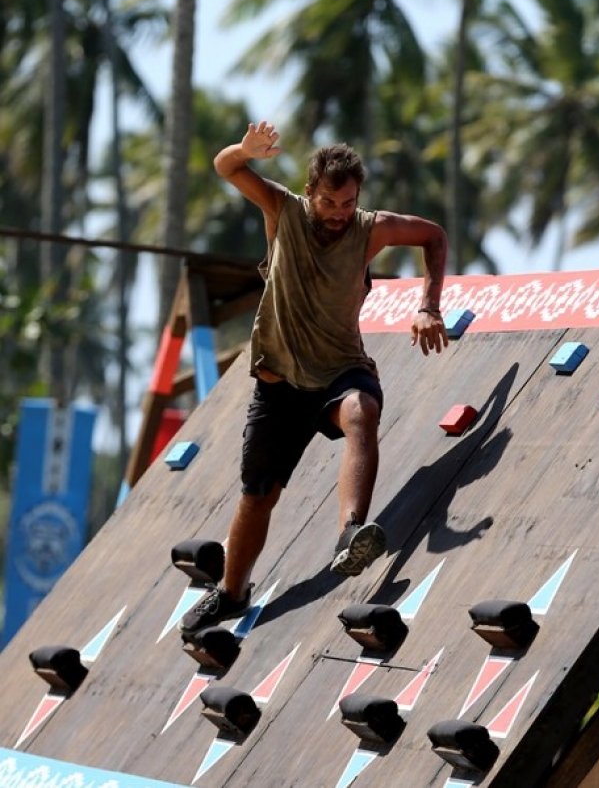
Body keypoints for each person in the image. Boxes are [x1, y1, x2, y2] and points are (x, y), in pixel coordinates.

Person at [179, 121, 449, 635]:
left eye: (348, 203)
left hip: (339, 372)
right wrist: (243, 149)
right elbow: (226, 167)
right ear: (310, 193)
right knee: (258, 496)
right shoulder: (283, 210)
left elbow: (433, 236)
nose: (339, 214)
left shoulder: (370, 229)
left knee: (361, 411)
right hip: (278, 384)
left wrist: (429, 306)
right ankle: (231, 593)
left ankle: (351, 534)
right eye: (329, 202)